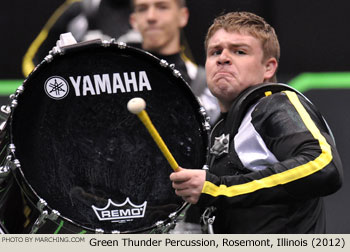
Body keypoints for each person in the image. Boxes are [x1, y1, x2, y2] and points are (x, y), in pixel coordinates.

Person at [169, 11, 343, 233]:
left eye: (239, 51)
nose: (223, 57)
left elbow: (323, 165)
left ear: (268, 68)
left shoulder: (275, 104)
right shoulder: (217, 129)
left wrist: (219, 189)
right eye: (215, 52)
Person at [128, 0, 220, 125]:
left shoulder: (208, 85)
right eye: (142, 9)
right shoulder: (119, 81)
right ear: (133, 20)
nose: (151, 17)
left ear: (183, 16)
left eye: (162, 7)